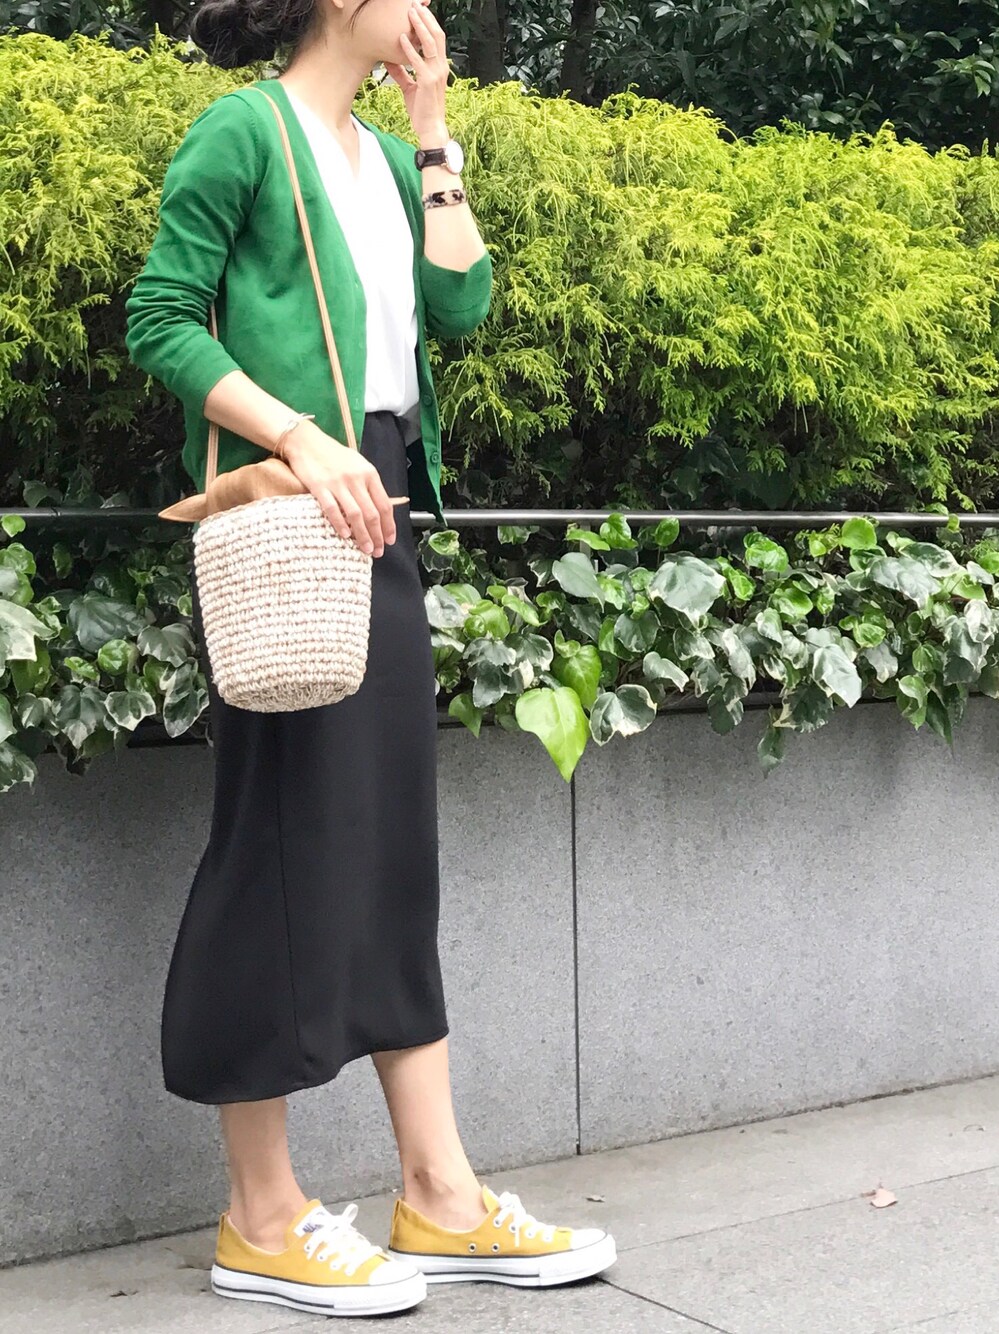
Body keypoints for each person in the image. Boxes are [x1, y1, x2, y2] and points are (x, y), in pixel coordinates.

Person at [125, 0, 617, 1318]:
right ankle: (260, 1215)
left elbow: (462, 303)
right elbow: (160, 319)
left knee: (394, 848)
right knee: (275, 844)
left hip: (382, 503)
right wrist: (296, 435)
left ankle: (438, 1194)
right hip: (296, 509)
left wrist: (435, 129)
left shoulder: (389, 158)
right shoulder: (243, 132)